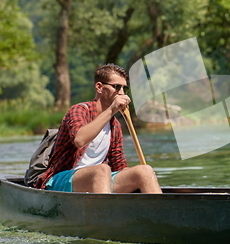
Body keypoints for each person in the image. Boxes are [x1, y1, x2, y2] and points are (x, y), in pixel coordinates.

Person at [35, 64, 162, 194]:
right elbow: (79, 139)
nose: (122, 93)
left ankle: (160, 212)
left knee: (144, 171)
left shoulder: (115, 125)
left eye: (125, 88)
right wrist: (112, 110)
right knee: (102, 169)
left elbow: (119, 166)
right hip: (61, 178)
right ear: (99, 87)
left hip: (100, 179)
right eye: (116, 87)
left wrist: (144, 178)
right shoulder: (79, 110)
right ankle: (104, 213)